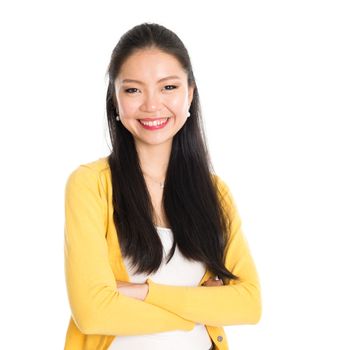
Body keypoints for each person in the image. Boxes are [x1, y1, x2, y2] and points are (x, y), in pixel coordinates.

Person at [63, 22, 262, 350]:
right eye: (133, 89)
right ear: (115, 99)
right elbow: (93, 312)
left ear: (190, 94)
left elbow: (249, 304)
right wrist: (198, 310)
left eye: (168, 87)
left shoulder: (215, 194)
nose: (152, 105)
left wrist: (143, 292)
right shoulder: (89, 185)